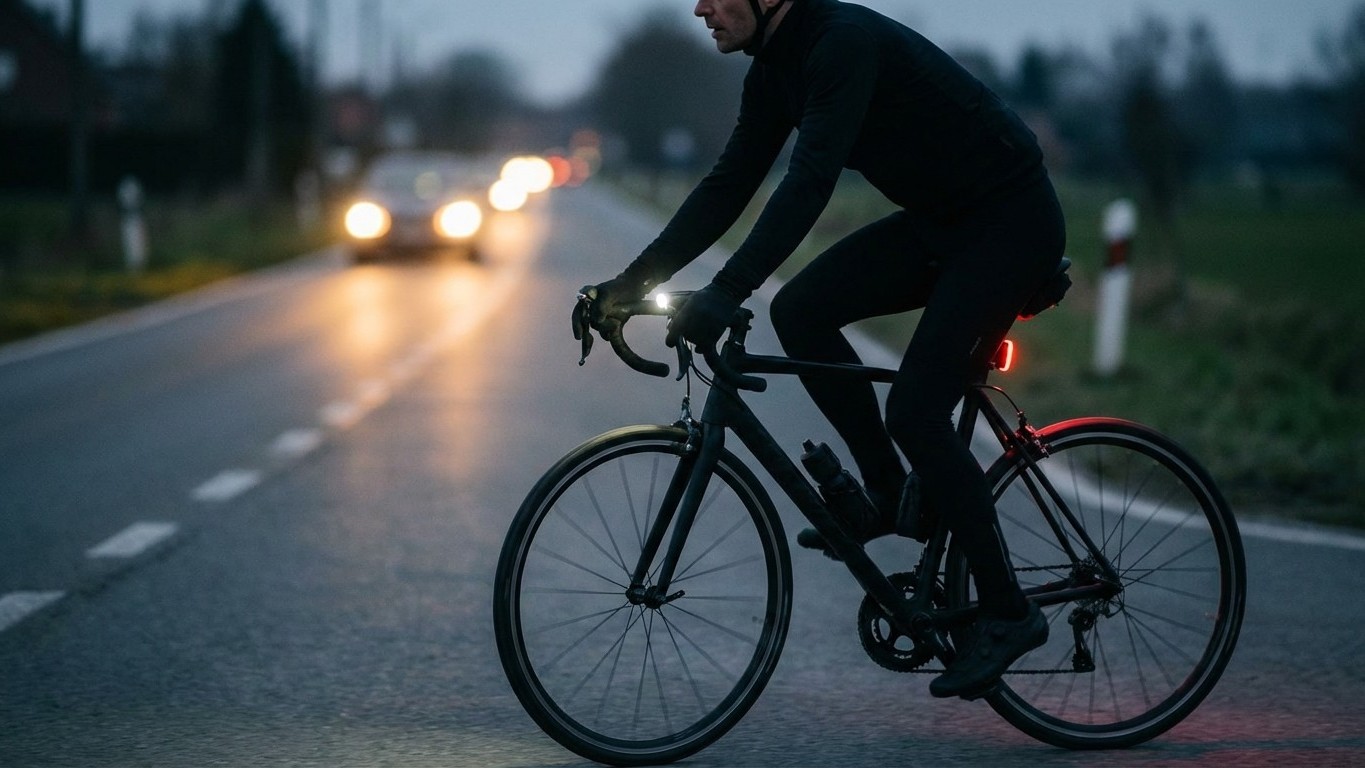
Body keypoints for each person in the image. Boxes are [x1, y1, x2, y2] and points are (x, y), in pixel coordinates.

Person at [580, 0, 1066, 700]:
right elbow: (728, 186)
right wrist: (627, 285)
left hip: (1008, 222)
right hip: (942, 224)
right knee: (801, 309)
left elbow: (806, 184)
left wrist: (725, 290)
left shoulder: (840, 43)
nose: (699, 8)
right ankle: (887, 493)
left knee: (916, 413)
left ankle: (1007, 611)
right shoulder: (773, 70)